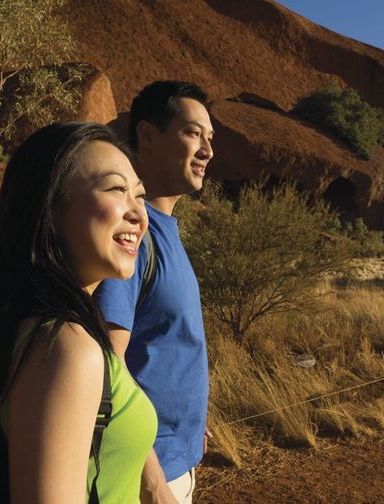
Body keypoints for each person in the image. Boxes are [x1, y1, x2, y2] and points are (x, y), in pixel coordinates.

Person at [0, 121, 161, 502]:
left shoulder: (23, 323)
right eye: (116, 189)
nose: (138, 214)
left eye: (139, 195)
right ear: (51, 206)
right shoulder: (67, 348)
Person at [95, 80, 215, 503]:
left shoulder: (166, 231)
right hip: (142, 475)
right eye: (193, 133)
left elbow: (166, 342)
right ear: (147, 135)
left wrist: (191, 423)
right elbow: (107, 365)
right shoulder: (131, 234)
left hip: (176, 461)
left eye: (210, 138)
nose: (207, 150)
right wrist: (151, 480)